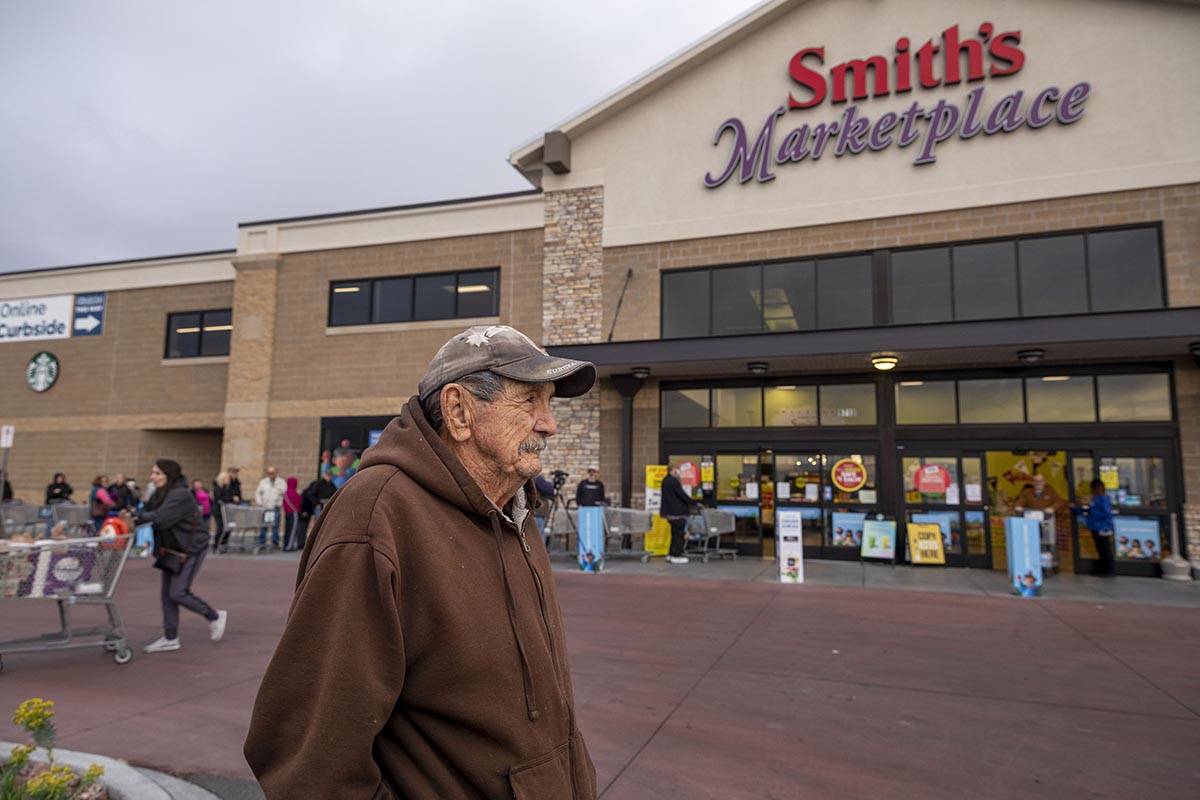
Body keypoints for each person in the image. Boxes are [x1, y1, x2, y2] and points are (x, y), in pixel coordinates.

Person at [245, 324, 598, 799]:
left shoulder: (514, 507)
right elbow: (309, 762)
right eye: (529, 401)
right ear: (458, 411)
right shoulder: (376, 517)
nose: (549, 422)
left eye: (550, 403)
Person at [123, 459, 227, 653]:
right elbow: (146, 512)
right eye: (152, 473)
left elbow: (161, 519)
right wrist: (134, 512)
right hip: (171, 548)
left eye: (157, 473)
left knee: (177, 592)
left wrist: (137, 518)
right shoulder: (160, 492)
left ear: (168, 474)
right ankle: (170, 638)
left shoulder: (179, 494)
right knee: (167, 594)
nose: (152, 477)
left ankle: (214, 616)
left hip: (190, 547)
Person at [1073, 478, 1115, 576]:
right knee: (1101, 549)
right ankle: (1103, 569)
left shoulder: (1103, 499)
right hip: (1096, 527)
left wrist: (1092, 512)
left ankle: (1108, 570)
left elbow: (1105, 512)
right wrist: (1076, 508)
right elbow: (1089, 510)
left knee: (1105, 549)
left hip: (1102, 527)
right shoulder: (1097, 498)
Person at [660, 464, 697, 565]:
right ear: (673, 471)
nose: (679, 472)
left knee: (674, 533)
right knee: (679, 535)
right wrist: (693, 502)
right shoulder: (673, 481)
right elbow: (681, 494)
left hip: (669, 513)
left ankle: (671, 554)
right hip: (677, 513)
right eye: (677, 470)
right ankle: (676, 555)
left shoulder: (665, 480)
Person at [294, 471, 336, 552]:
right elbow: (311, 494)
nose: (329, 477)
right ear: (324, 475)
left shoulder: (332, 485)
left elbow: (335, 493)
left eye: (330, 476)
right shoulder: (318, 484)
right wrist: (316, 503)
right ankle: (314, 542)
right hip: (319, 507)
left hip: (327, 506)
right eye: (328, 475)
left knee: (325, 525)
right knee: (318, 524)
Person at [254, 466, 287, 549]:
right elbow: (258, 493)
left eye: (272, 473)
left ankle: (275, 542)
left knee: (275, 526)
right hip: (265, 507)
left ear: (276, 472)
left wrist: (279, 503)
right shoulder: (263, 482)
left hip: (275, 507)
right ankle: (262, 542)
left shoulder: (281, 482)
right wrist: (260, 503)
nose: (271, 475)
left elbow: (284, 494)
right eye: (269, 473)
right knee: (263, 525)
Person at [211, 471, 235, 552]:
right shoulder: (217, 487)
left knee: (228, 528)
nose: (228, 480)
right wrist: (230, 499)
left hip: (227, 511)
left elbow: (232, 496)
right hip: (218, 511)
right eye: (227, 478)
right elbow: (220, 498)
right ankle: (216, 544)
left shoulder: (228, 487)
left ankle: (224, 543)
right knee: (220, 528)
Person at [281, 477, 303, 551]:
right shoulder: (294, 493)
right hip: (294, 513)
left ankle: (286, 544)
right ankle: (289, 546)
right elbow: (299, 502)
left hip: (288, 513)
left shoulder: (286, 492)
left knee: (287, 529)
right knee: (293, 529)